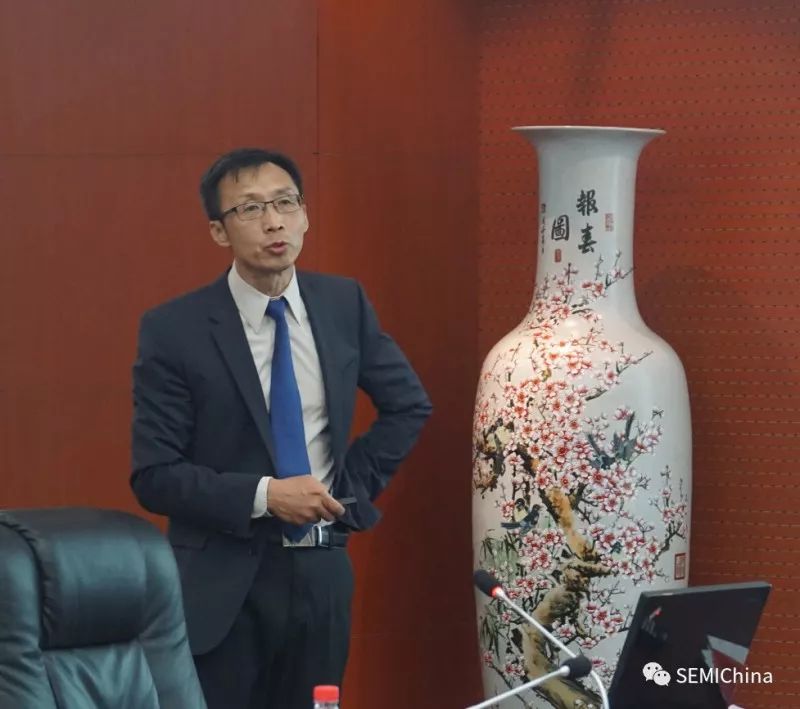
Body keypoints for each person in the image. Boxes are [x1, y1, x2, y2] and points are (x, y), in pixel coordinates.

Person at [130, 148, 432, 709]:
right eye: (250, 209)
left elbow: (408, 405)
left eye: (285, 203)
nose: (274, 222)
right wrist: (267, 496)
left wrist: (345, 492)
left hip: (320, 574)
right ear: (218, 231)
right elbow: (155, 475)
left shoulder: (343, 304)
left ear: (305, 215)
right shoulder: (175, 329)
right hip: (220, 583)